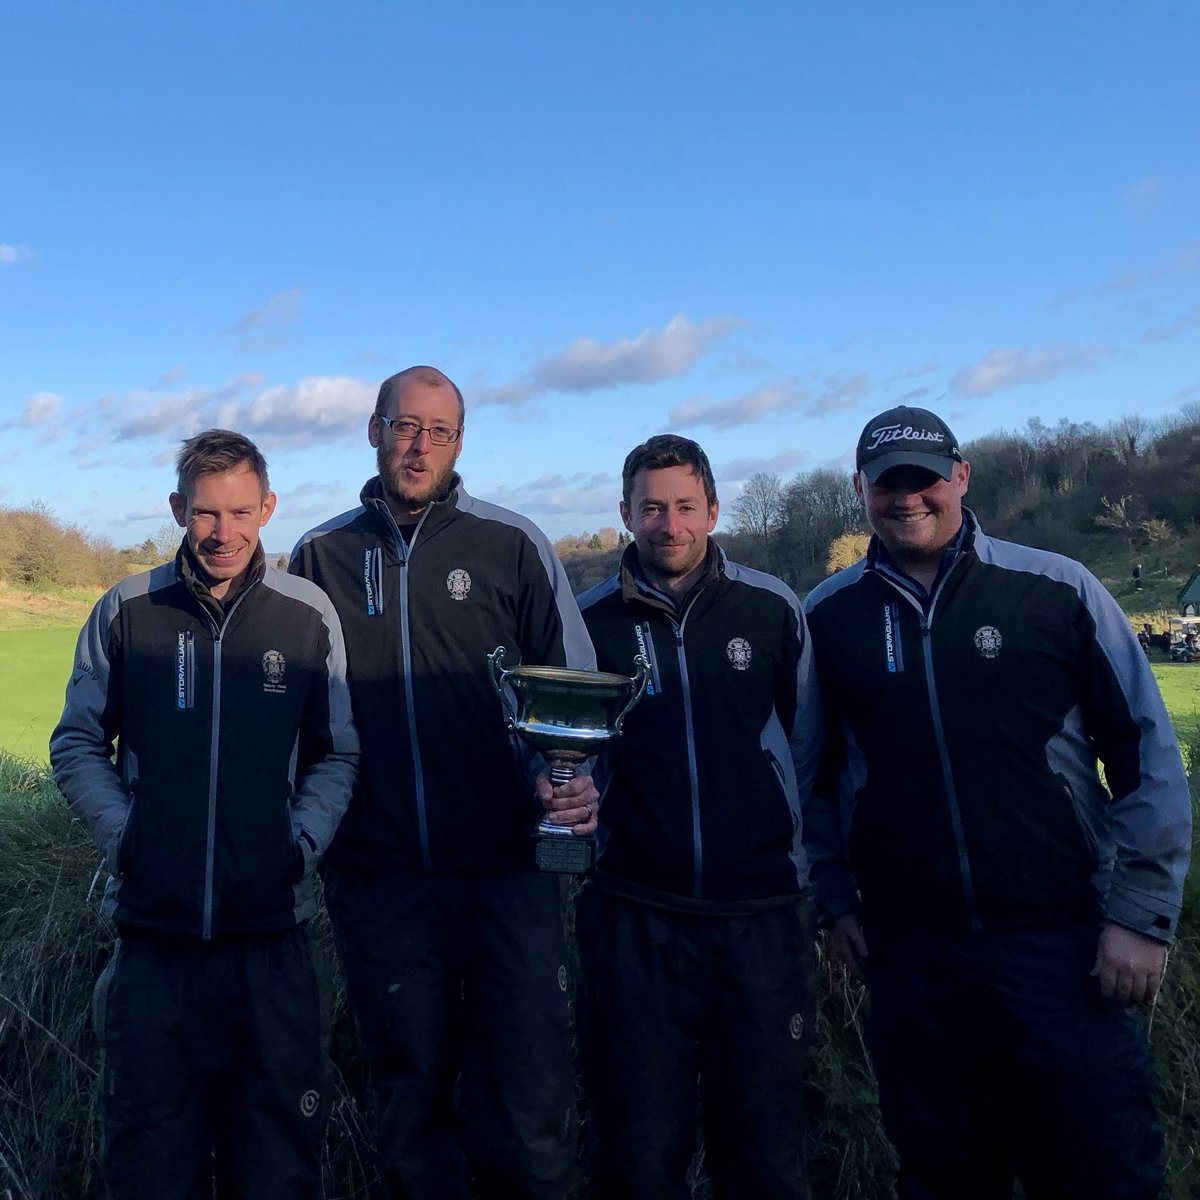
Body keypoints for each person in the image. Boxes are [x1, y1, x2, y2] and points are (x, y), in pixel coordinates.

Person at [803, 405, 1192, 1200]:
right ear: (860, 492)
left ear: (962, 478)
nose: (908, 497)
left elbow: (1147, 751)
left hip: (1066, 951)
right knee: (944, 1177)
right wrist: (835, 899)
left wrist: (1141, 913)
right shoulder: (827, 616)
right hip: (912, 959)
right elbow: (811, 776)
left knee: (1103, 1176)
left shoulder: (1056, 588)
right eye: (888, 483)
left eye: (926, 478)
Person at [289, 366, 596, 1199]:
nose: (419, 445)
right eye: (404, 426)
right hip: (381, 878)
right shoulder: (319, 553)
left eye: (439, 430)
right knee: (411, 1108)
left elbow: (569, 693)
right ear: (373, 429)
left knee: (527, 1106)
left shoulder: (513, 543)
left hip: (508, 873)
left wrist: (569, 780)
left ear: (461, 442)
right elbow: (298, 716)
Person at [50, 430, 359, 1200]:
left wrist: (302, 842)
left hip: (272, 938)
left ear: (269, 508)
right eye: (205, 513)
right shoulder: (128, 607)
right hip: (155, 943)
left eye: (241, 512)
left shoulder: (308, 614)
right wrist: (127, 837)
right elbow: (78, 741)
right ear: (177, 509)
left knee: (279, 1166)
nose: (224, 533)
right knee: (150, 1166)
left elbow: (340, 753)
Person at [574, 434, 821, 1199]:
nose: (669, 524)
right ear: (625, 513)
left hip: (762, 918)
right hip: (634, 916)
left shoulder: (772, 607)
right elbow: (568, 756)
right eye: (651, 507)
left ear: (714, 510)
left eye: (685, 506)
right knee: (640, 1154)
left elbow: (809, 747)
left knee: (769, 1150)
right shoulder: (588, 624)